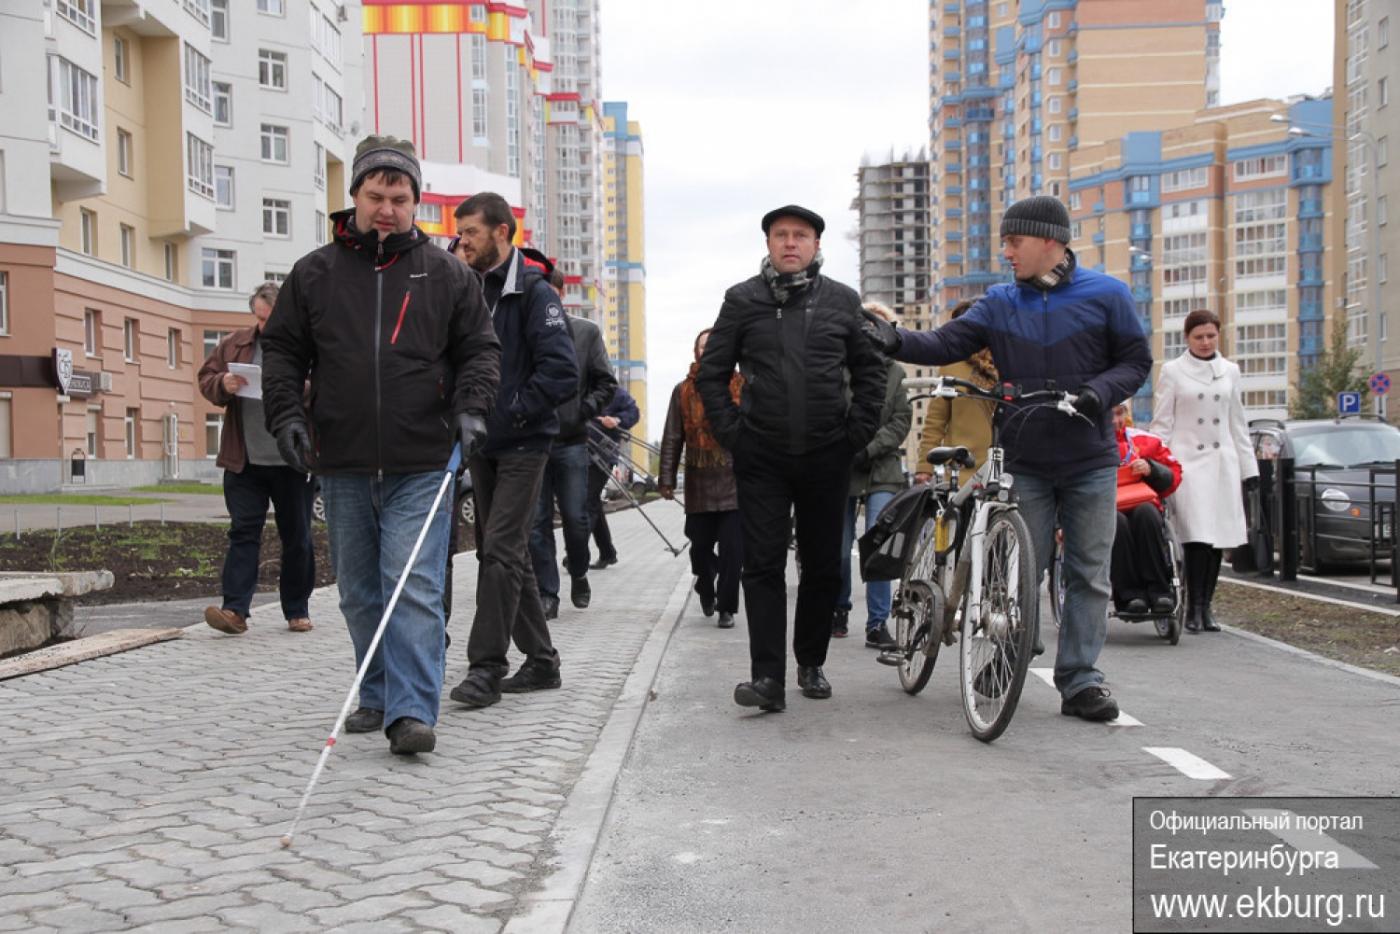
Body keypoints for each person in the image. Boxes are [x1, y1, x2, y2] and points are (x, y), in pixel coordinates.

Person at [864, 195, 1152, 722]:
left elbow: (1135, 360)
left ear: (1050, 241)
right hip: (1027, 458)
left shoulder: (1107, 295)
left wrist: (1098, 392)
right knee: (1016, 572)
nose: (1007, 251)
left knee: (1088, 574)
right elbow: (942, 341)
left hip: (1090, 458)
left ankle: (1081, 681)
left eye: (1014, 241)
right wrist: (893, 339)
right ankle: (1004, 656)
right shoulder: (998, 302)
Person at [261, 136, 501, 756]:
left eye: (400, 197)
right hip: (338, 456)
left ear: (416, 200)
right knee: (360, 590)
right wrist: (287, 415)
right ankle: (375, 688)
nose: (388, 209)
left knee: (413, 584)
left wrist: (472, 408)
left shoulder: (446, 272)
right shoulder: (315, 272)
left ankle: (411, 712)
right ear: (355, 197)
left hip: (422, 455)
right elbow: (284, 351)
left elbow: (479, 348)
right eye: (376, 196)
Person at [698, 203, 885, 712]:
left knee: (823, 566)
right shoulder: (742, 300)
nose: (790, 243)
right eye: (780, 235)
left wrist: (856, 434)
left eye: (800, 236)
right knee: (761, 565)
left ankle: (811, 661)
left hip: (828, 453)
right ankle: (767, 678)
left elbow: (872, 373)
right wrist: (734, 434)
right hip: (761, 454)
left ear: (816, 246)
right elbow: (710, 374)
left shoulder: (844, 302)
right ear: (768, 244)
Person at [448, 191, 578, 710]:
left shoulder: (534, 292)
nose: (462, 241)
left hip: (524, 440)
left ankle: (485, 667)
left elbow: (562, 372)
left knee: (499, 549)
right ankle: (542, 662)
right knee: (506, 552)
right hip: (481, 443)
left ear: (502, 232)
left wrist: (513, 411)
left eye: (471, 232)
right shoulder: (467, 290)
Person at [197, 282, 316, 637]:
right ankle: (235, 610)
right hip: (244, 460)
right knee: (243, 533)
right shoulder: (236, 343)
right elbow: (206, 378)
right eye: (259, 318)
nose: (264, 325)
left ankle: (297, 609)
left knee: (297, 537)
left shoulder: (306, 345)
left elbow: (328, 385)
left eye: (270, 317)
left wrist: (301, 388)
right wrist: (223, 384)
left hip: (291, 460)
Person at [1149, 308, 1257, 633]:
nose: (1206, 342)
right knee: (1196, 537)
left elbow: (1237, 422)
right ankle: (1191, 608)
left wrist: (1249, 470)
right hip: (1189, 463)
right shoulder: (1173, 371)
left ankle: (1206, 607)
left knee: (1218, 540)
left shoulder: (1230, 371)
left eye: (1211, 335)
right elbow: (1163, 421)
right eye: (1199, 337)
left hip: (1223, 462)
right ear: (1187, 338)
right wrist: (1156, 464)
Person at [528, 292, 618, 620]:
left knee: (576, 517)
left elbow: (606, 382)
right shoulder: (524, 331)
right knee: (536, 523)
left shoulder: (586, 332)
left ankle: (578, 572)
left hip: (571, 441)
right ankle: (547, 593)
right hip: (533, 442)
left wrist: (583, 411)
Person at [834, 302, 912, 648]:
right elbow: (829, 411)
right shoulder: (838, 369)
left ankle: (878, 623)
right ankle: (837, 608)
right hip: (842, 464)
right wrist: (848, 448)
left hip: (882, 467)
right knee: (836, 547)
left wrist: (869, 448)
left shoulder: (896, 373)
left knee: (878, 545)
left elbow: (900, 421)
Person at [658, 329, 743, 630]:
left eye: (714, 345)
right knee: (700, 548)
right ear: (696, 351)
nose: (708, 351)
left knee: (734, 552)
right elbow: (671, 437)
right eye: (703, 346)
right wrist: (666, 478)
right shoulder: (682, 390)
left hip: (734, 479)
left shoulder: (741, 385)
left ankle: (727, 607)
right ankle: (705, 586)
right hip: (699, 482)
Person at [914, 299, 997, 488]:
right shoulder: (950, 366)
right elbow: (936, 420)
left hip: (1005, 468)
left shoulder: (1008, 362)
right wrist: (924, 467)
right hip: (962, 471)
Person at [1109, 401, 1182, 615]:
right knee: (1117, 523)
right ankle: (1131, 595)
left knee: (1147, 514)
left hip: (1143, 502)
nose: (1115, 420)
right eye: (1109, 415)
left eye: (1119, 413)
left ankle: (1160, 591)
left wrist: (1151, 468)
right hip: (1108, 506)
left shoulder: (1145, 440)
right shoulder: (1089, 444)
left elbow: (1173, 476)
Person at [586, 385, 640, 569]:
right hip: (577, 454)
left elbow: (634, 412)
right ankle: (607, 552)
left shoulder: (612, 391)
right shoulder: (576, 387)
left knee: (587, 501)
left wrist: (617, 420)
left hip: (602, 456)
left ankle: (576, 552)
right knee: (592, 503)